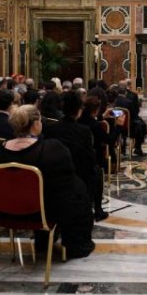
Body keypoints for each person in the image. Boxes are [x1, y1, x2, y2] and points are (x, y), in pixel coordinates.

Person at [0, 105, 95, 258]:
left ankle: (43, 240)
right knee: (77, 188)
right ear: (36, 124)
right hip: (42, 212)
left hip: (5, 211)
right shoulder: (52, 149)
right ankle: (75, 244)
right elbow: (66, 182)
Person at [44, 91, 108, 222]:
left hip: (55, 171)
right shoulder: (84, 131)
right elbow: (90, 157)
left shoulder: (50, 128)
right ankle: (98, 209)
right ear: (79, 110)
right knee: (97, 171)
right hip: (79, 172)